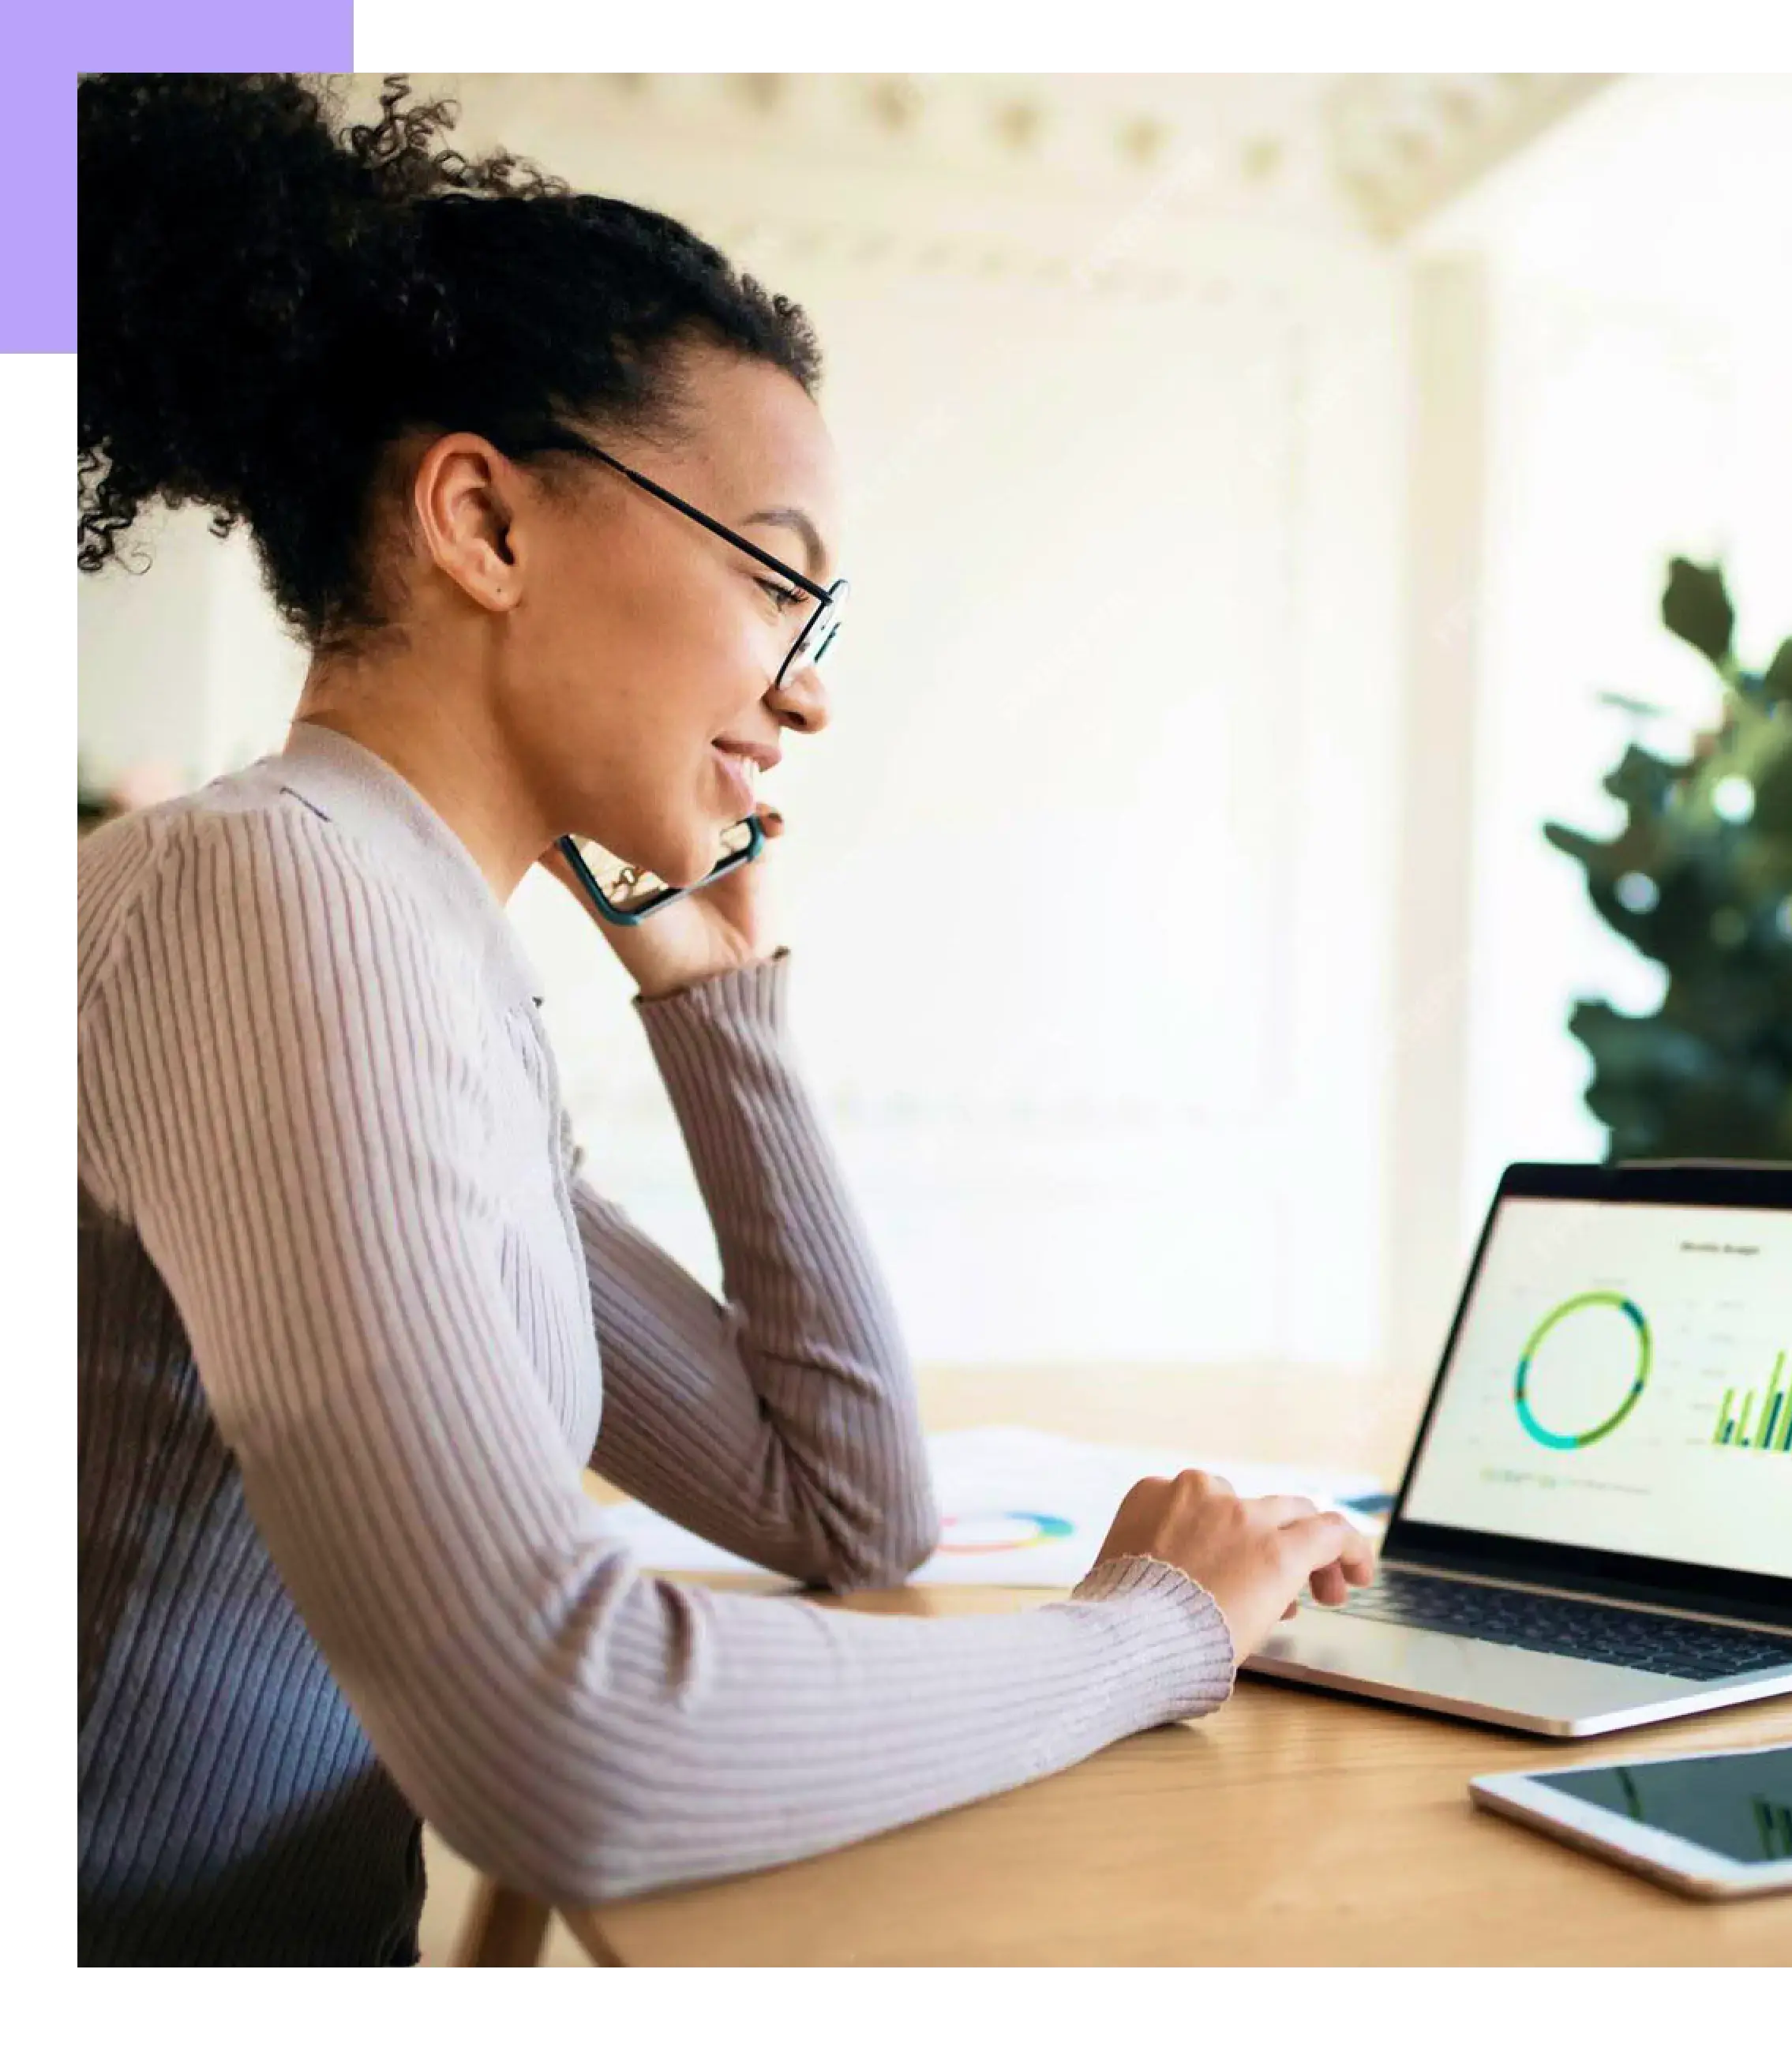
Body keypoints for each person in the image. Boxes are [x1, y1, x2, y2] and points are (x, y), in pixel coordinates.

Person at [74, 73, 1374, 1970]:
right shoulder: (271, 904)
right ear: (480, 521)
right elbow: (564, 1739)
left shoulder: (398, 941)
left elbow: (842, 1502)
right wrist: (1153, 1632)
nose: (808, 694)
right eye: (775, 577)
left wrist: (715, 1000)